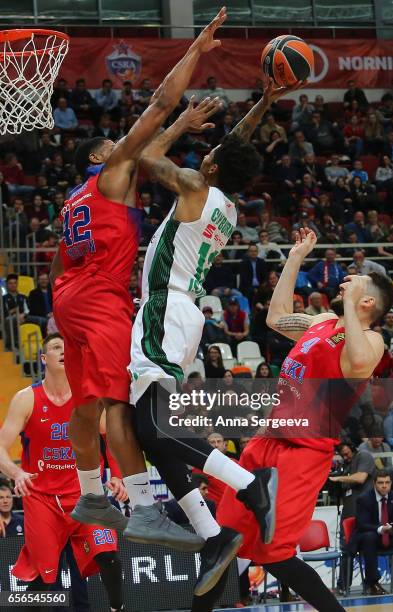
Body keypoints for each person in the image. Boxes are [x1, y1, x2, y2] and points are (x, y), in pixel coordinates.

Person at [50, 9, 228, 549]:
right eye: (111, 144)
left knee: (84, 404)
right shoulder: (112, 171)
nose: (118, 144)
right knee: (122, 404)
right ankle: (145, 507)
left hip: (67, 298)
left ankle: (89, 491)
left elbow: (57, 268)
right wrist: (195, 49)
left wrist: (178, 130)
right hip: (102, 297)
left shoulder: (72, 203)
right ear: (101, 157)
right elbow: (157, 108)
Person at [129, 79, 301, 596]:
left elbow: (142, 156)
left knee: (154, 431)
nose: (205, 154)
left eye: (210, 155)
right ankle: (211, 534)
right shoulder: (223, 204)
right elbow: (231, 151)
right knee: (150, 432)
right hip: (184, 316)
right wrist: (265, 103)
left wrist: (179, 122)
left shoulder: (195, 187)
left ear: (213, 168)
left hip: (165, 310)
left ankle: (250, 485)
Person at [194, 228, 393, 612]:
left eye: (358, 282)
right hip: (266, 440)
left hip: (304, 452)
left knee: (275, 553)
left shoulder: (372, 339)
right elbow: (276, 317)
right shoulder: (321, 322)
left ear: (367, 300)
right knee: (222, 541)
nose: (347, 280)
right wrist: (296, 257)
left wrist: (349, 308)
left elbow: (357, 363)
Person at [0, 334, 126, 611]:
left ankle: (118, 608)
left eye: (68, 348)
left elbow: (113, 440)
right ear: (44, 359)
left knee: (110, 557)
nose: (63, 352)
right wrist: (16, 472)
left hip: (87, 495)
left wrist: (117, 474)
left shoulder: (89, 398)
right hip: (43, 499)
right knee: (45, 577)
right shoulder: (26, 399)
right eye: (56, 348)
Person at [356, 470, 393, 594]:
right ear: (375, 483)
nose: (384, 486)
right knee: (369, 537)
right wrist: (381, 529)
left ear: (390, 483)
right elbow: (362, 524)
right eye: (380, 483)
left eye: (387, 482)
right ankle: (372, 583)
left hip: (392, 535)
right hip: (373, 536)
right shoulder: (364, 499)